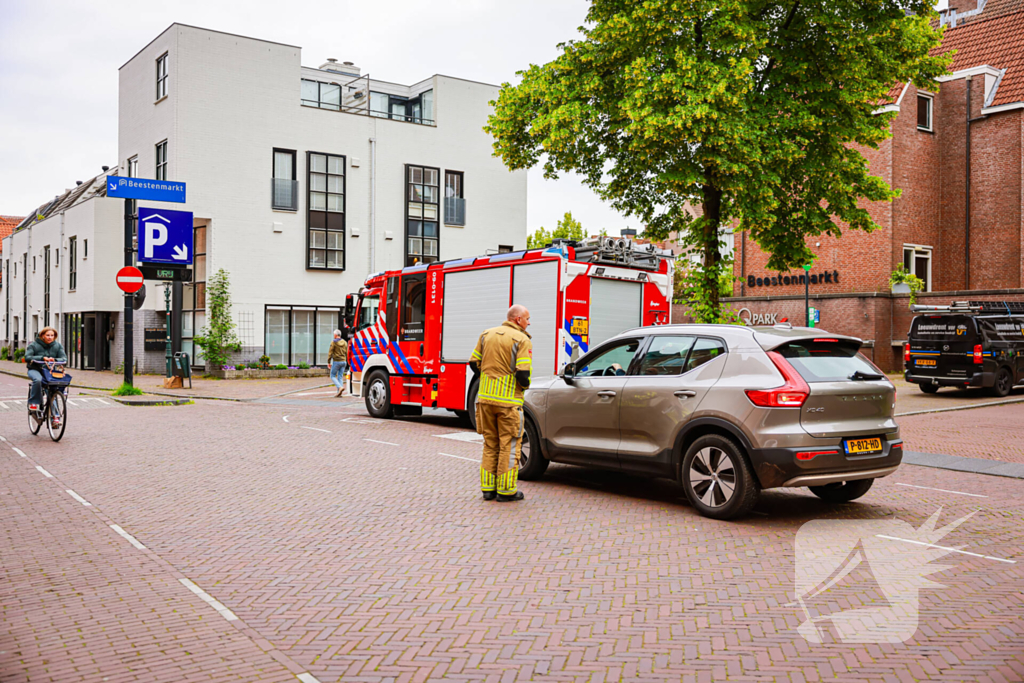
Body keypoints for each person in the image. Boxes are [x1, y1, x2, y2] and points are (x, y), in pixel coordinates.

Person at [470, 304, 532, 502]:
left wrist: (487, 379)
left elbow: (473, 362)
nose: (529, 323)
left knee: (490, 444)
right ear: (518, 319)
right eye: (527, 319)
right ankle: (506, 491)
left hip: (485, 400)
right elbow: (523, 374)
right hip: (508, 403)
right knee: (510, 445)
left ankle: (488, 489)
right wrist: (525, 386)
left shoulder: (486, 334)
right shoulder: (521, 339)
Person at [25, 327, 68, 413]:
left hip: (49, 371)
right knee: (38, 380)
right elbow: (27, 357)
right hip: (35, 369)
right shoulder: (33, 345)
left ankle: (55, 415)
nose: (50, 337)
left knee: (53, 389)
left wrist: (55, 360)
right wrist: (42, 358)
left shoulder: (58, 346)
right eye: (48, 335)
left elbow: (64, 358)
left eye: (52, 335)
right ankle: (34, 402)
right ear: (42, 336)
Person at [328, 330, 348, 397]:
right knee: (340, 377)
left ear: (335, 335)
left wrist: (328, 362)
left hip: (337, 361)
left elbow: (330, 353)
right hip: (343, 361)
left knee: (332, 376)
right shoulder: (345, 342)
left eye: (334, 334)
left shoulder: (334, 342)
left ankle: (339, 387)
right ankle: (339, 393)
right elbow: (347, 352)